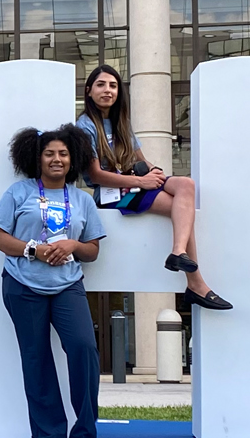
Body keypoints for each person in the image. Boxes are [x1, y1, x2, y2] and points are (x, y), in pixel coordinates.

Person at [0, 124, 107, 438]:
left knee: (84, 349)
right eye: (49, 154)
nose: (57, 159)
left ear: (73, 159)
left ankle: (85, 430)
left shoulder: (82, 200)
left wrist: (72, 244)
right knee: (36, 357)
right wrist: (34, 249)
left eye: (64, 154)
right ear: (37, 159)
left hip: (68, 285)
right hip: (22, 285)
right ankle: (49, 433)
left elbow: (93, 250)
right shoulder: (19, 192)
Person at [77, 64, 230, 310]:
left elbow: (141, 161)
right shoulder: (84, 126)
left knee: (186, 185)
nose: (108, 90)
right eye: (101, 84)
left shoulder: (121, 123)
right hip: (112, 195)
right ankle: (196, 284)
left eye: (113, 85)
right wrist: (141, 181)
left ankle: (178, 251)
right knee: (183, 211)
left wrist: (155, 173)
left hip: (136, 185)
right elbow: (96, 175)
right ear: (89, 91)